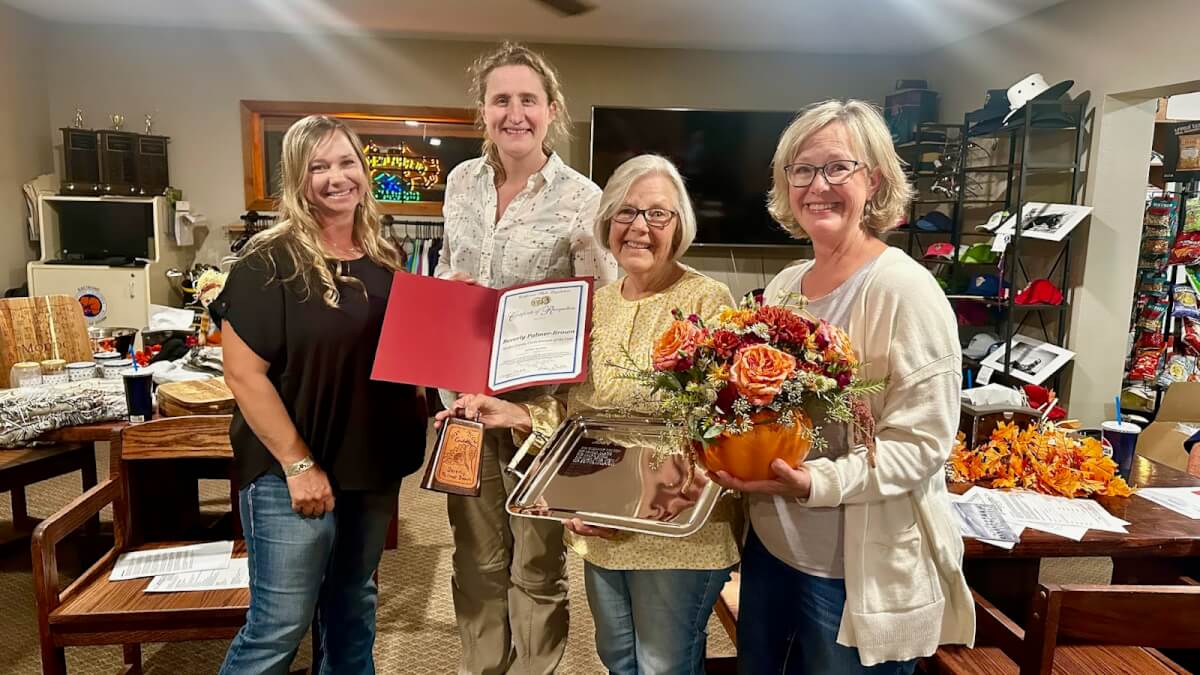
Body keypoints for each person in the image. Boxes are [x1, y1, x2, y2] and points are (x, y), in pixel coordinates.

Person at [437, 154, 741, 675]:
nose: (638, 227)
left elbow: (720, 425)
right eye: (625, 213)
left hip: (674, 530)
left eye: (657, 214)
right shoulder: (594, 303)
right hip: (601, 528)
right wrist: (511, 414)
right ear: (606, 224)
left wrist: (617, 501)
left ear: (680, 225)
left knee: (661, 665)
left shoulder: (708, 302)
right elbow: (572, 409)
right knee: (618, 658)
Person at [710, 99, 975, 673]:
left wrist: (815, 483)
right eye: (801, 170)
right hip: (773, 550)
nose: (817, 186)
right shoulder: (783, 287)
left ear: (874, 180)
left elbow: (924, 446)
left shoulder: (907, 292)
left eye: (838, 168)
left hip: (851, 575)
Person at [214, 115, 427, 675]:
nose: (337, 178)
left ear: (364, 170)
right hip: (292, 470)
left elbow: (401, 353)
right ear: (297, 179)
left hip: (370, 466)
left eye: (347, 162)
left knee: (353, 608)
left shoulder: (386, 255)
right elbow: (243, 375)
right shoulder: (267, 259)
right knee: (278, 627)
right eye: (319, 167)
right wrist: (298, 463)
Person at [434, 42, 618, 675]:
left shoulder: (584, 199)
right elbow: (448, 275)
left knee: (536, 561)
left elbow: (598, 309)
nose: (515, 113)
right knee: (475, 557)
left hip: (537, 415)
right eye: (501, 99)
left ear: (551, 110)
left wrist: (559, 412)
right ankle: (480, 667)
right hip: (461, 405)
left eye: (528, 100)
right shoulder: (460, 184)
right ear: (482, 110)